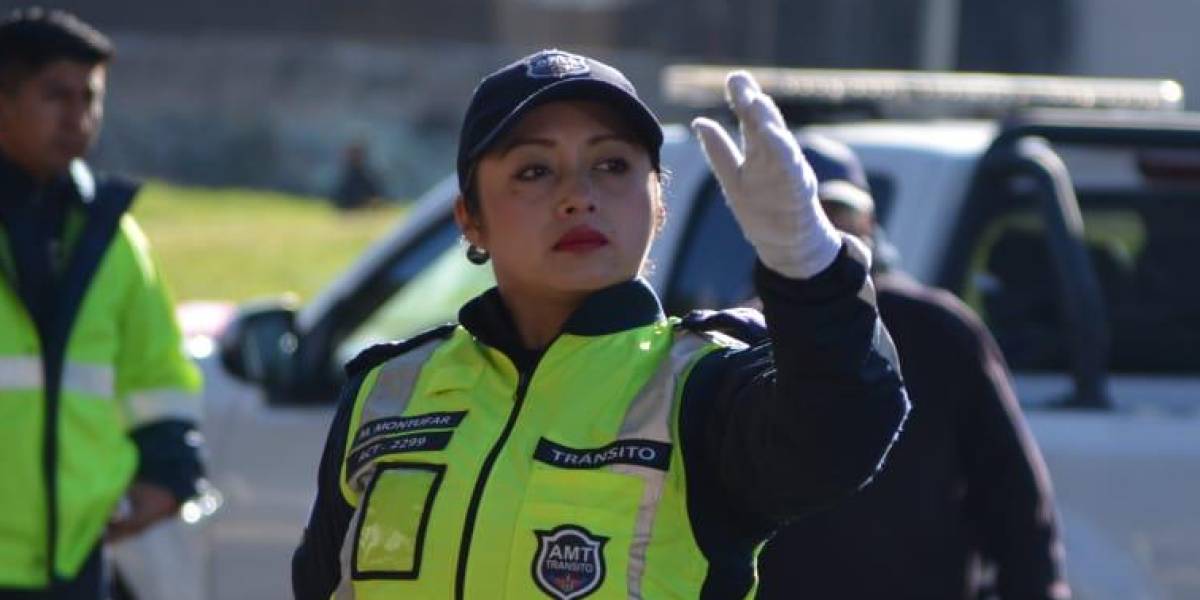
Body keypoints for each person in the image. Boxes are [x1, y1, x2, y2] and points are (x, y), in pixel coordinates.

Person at [292, 49, 908, 599]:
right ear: (470, 220)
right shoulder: (387, 391)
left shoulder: (704, 382)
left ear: (659, 201)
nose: (578, 195)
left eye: (612, 165)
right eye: (534, 170)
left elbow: (842, 434)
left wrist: (808, 266)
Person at [755, 134, 1071, 600]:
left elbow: (1014, 500)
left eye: (835, 212)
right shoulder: (743, 338)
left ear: (869, 221)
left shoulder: (938, 333)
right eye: (799, 215)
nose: (819, 230)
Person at [0, 8, 204, 598]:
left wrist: (169, 472)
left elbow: (155, 369)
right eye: (56, 96)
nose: (79, 117)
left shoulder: (111, 238)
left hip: (75, 563)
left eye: (91, 98)